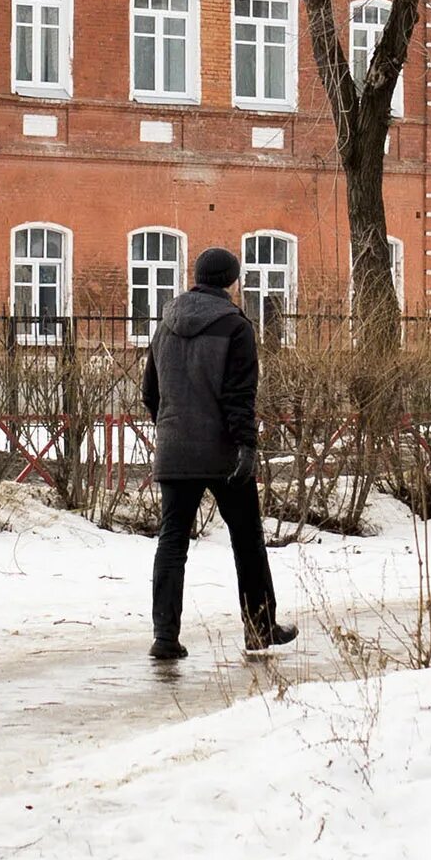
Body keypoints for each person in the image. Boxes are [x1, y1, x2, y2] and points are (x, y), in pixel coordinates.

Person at [142, 245, 294, 660]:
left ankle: (165, 636)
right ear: (231, 280)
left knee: (172, 542)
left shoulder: (166, 324)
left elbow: (149, 393)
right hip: (225, 452)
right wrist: (247, 445)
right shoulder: (236, 326)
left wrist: (172, 428)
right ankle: (260, 629)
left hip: (174, 450)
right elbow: (239, 397)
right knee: (247, 541)